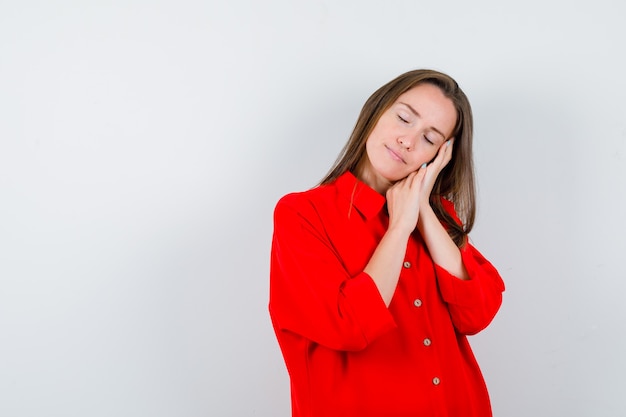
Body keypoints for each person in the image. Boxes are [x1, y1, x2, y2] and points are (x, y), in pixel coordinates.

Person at [269, 69, 505, 417]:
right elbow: (348, 325)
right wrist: (399, 228)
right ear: (376, 112)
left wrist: (422, 208)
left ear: (441, 156)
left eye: (429, 139)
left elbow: (477, 313)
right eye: (404, 118)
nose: (408, 141)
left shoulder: (439, 219)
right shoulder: (302, 214)